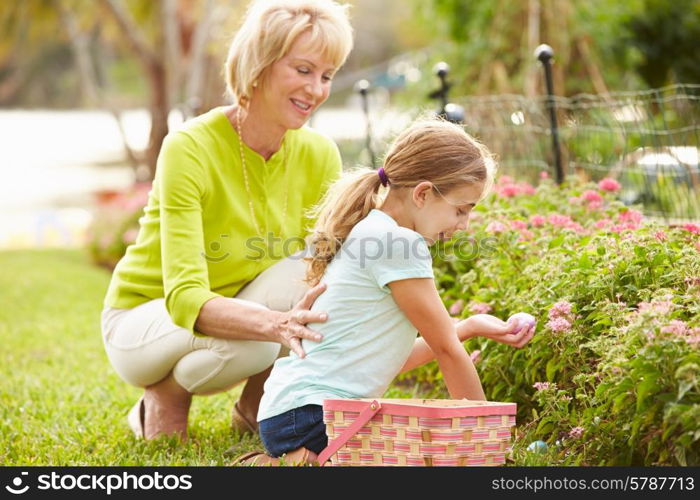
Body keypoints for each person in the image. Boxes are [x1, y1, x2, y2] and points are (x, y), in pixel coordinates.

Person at [100, 0, 355, 440]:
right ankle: (164, 396)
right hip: (145, 320)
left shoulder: (320, 153)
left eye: (326, 75)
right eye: (302, 70)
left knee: (316, 271)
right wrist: (275, 325)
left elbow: (329, 268)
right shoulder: (189, 146)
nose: (316, 90)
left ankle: (255, 404)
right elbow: (183, 297)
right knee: (264, 332)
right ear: (259, 65)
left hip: (240, 311)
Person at [237, 119, 537, 466]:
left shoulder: (374, 231)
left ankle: (302, 457)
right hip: (314, 416)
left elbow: (388, 359)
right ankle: (302, 460)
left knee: (407, 446)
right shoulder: (398, 243)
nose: (463, 225)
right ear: (422, 194)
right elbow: (446, 350)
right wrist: (484, 446)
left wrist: (468, 326)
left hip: (291, 413)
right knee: (415, 457)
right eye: (460, 209)